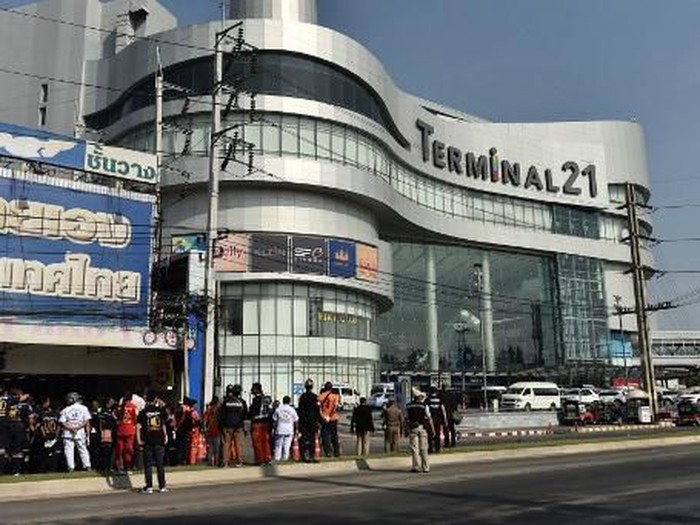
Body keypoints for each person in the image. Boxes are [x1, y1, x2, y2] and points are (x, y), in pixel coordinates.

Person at [137, 391, 169, 494]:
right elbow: (165, 420)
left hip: (148, 440)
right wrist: (165, 435)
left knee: (148, 465)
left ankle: (149, 486)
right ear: (155, 399)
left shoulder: (142, 412)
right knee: (160, 464)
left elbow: (138, 427)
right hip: (159, 439)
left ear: (146, 399)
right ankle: (162, 486)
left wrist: (139, 440)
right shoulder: (160, 411)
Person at [59, 392, 92, 472]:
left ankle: (71, 467)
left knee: (69, 450)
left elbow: (62, 422)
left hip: (68, 432)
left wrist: (70, 428)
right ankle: (87, 466)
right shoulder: (84, 408)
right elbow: (86, 420)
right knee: (83, 449)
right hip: (79, 432)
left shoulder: (65, 410)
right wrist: (78, 427)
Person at [219, 385, 247, 468]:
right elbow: (245, 414)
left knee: (226, 444)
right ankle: (240, 462)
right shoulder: (242, 402)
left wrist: (221, 425)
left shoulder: (226, 401)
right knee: (239, 444)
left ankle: (225, 463)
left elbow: (222, 414)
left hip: (227, 425)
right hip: (238, 425)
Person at [6, 387, 33, 475]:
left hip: (15, 428)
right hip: (15, 428)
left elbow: (30, 419)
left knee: (16, 451)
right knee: (13, 451)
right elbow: (30, 419)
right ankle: (14, 470)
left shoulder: (24, 405)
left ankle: (15, 470)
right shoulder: (8, 403)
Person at [31, 396, 61, 473]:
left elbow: (58, 425)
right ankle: (43, 469)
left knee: (54, 453)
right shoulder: (42, 413)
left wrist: (57, 434)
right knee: (44, 454)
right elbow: (40, 425)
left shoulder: (56, 413)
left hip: (53, 436)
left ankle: (52, 469)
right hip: (45, 436)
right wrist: (43, 434)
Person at [405, 391, 433, 473]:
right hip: (422, 427)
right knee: (423, 448)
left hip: (412, 428)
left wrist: (406, 429)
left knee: (414, 448)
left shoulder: (408, 406)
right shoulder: (424, 406)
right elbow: (429, 418)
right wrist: (432, 429)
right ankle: (426, 467)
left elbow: (406, 418)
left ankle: (416, 466)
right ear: (420, 397)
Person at [248, 383, 272, 465]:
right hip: (265, 423)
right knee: (265, 441)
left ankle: (259, 459)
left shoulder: (256, 399)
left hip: (257, 423)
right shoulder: (266, 398)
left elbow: (253, 411)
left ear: (256, 389)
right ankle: (267, 458)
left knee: (257, 442)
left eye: (252, 389)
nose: (251, 390)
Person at [297, 379, 320, 463]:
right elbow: (317, 410)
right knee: (312, 438)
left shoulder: (302, 397)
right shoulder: (315, 397)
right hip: (313, 420)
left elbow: (300, 410)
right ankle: (312, 455)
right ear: (312, 387)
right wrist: (318, 421)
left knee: (304, 438)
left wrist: (300, 421)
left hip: (304, 421)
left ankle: (303, 455)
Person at [114, 393, 138, 472]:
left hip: (120, 429)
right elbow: (135, 419)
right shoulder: (133, 407)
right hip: (130, 430)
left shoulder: (119, 407)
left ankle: (118, 466)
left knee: (119, 449)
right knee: (128, 449)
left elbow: (115, 416)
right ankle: (127, 467)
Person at [317, 381, 341, 458]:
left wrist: (323, 416)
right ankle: (336, 452)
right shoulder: (336, 396)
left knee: (325, 436)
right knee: (334, 436)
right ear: (331, 388)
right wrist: (330, 415)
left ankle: (328, 452)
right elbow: (336, 406)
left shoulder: (320, 396)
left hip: (324, 418)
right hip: (333, 417)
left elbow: (318, 407)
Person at [272, 396, 298, 462]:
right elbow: (296, 420)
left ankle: (277, 457)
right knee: (287, 445)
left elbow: (274, 420)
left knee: (278, 445)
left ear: (283, 401)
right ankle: (285, 458)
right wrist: (296, 429)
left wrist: (273, 429)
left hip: (280, 428)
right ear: (289, 401)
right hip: (289, 429)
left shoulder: (278, 409)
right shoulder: (292, 409)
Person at [426, 386, 447, 453]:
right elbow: (443, 410)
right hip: (438, 419)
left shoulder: (428, 400)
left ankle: (430, 448)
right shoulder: (440, 399)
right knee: (437, 434)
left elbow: (426, 410)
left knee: (430, 434)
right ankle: (437, 448)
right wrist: (445, 420)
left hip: (430, 419)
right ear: (436, 392)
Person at [202, 396, 221, 467]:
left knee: (210, 448)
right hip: (217, 431)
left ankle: (210, 462)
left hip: (210, 431)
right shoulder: (219, 411)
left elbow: (204, 421)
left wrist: (204, 430)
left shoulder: (208, 411)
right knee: (217, 448)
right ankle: (216, 462)